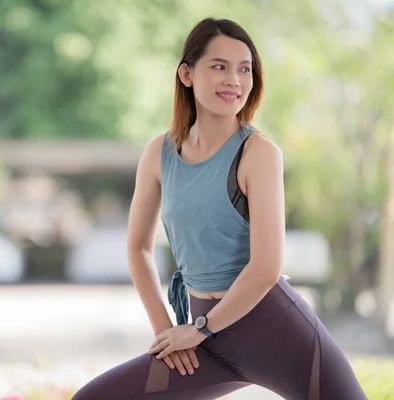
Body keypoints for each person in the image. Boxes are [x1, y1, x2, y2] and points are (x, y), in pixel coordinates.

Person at [71, 17, 368, 400]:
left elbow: (265, 268)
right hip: (205, 344)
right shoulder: (158, 154)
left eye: (245, 69)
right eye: (219, 67)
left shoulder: (258, 153)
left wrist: (201, 328)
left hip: (277, 332)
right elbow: (138, 248)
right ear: (187, 74)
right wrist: (166, 332)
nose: (234, 80)